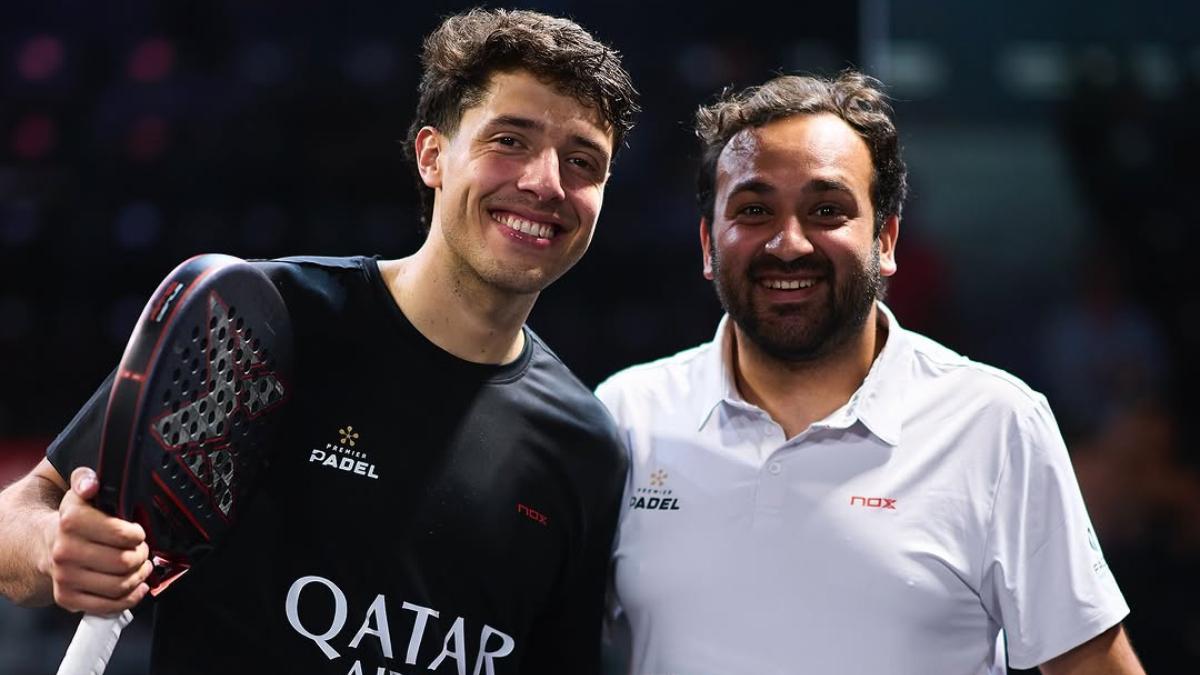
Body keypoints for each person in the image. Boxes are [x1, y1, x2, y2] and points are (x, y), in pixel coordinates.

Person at [0, 9, 638, 674]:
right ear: (431, 156)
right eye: (510, 140)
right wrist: (53, 544)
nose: (546, 182)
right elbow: (18, 514)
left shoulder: (584, 446)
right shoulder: (259, 321)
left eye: (582, 161)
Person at [596, 72, 1143, 674]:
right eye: (754, 210)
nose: (789, 243)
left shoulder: (994, 424)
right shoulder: (626, 416)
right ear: (708, 244)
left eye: (826, 210)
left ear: (885, 238)